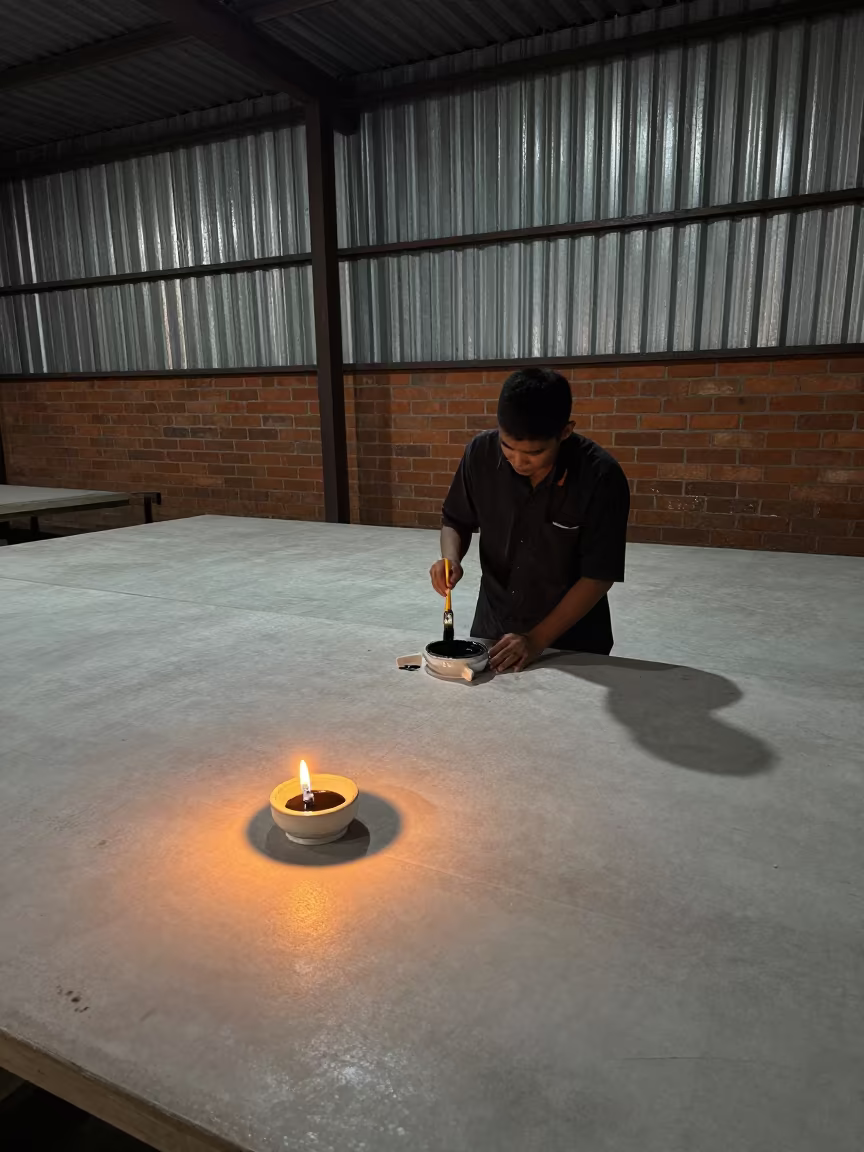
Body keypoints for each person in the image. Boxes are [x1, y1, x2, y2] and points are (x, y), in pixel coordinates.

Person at [430, 366, 631, 673]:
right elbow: (455, 519)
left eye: (534, 453)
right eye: (508, 447)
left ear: (565, 432)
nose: (519, 461)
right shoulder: (480, 455)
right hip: (492, 627)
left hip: (571, 640)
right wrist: (451, 558)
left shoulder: (600, 476)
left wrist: (536, 640)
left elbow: (599, 575)